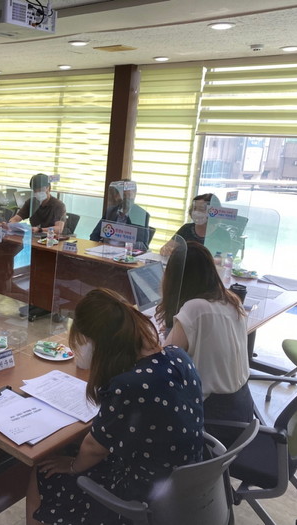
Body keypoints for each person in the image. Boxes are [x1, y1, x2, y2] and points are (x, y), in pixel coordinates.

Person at [28, 288, 204, 525]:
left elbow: (95, 448)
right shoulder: (177, 355)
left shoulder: (129, 385)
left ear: (99, 343)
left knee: (43, 471)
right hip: (187, 483)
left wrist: (71, 466)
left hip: (144, 496)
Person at [157, 241, 253, 434]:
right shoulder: (231, 300)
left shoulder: (195, 309)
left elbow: (163, 364)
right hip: (242, 410)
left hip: (212, 420)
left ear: (177, 277)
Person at [160, 193, 232, 256]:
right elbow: (166, 248)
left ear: (212, 212)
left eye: (201, 209)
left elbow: (224, 261)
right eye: (194, 208)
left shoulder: (223, 235)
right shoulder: (186, 228)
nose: (196, 212)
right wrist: (166, 250)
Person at [90, 180, 151, 248]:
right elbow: (94, 235)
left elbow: (144, 246)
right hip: (106, 251)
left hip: (126, 252)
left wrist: (127, 246)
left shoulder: (141, 215)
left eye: (128, 195)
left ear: (134, 195)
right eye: (123, 195)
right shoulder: (110, 211)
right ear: (117, 196)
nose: (126, 198)